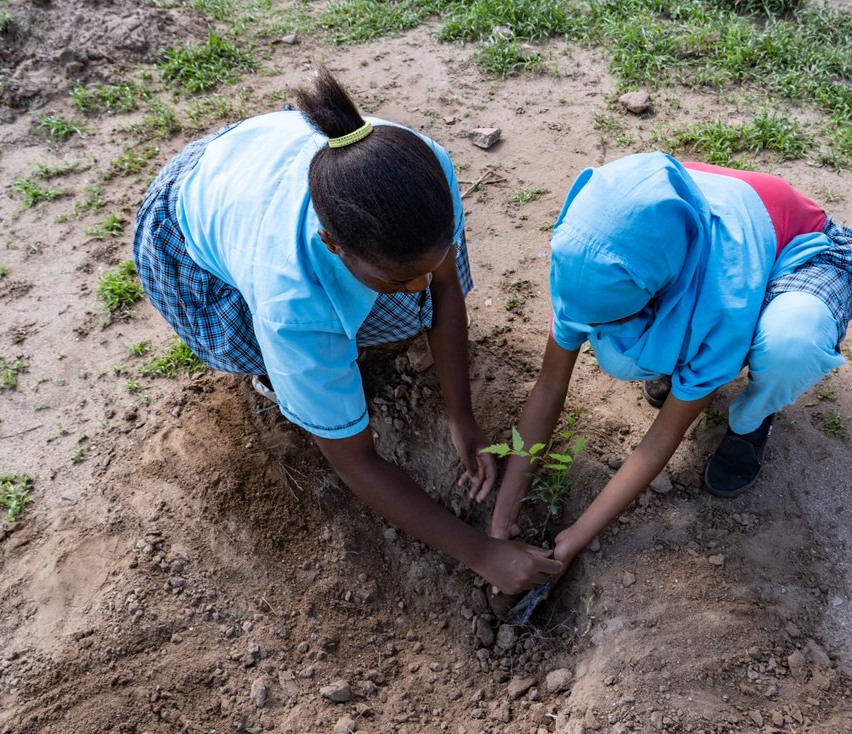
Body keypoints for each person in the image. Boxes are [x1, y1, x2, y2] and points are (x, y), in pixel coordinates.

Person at [132, 65, 561, 594]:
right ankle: (280, 381)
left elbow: (442, 287)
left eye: (428, 265)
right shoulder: (289, 303)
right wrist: (483, 555)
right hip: (190, 218)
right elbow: (355, 461)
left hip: (257, 160)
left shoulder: (420, 171)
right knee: (287, 349)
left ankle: (360, 325)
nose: (421, 284)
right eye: (399, 277)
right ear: (333, 245)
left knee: (406, 306)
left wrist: (461, 415)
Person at [485, 151, 852, 576]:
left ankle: (752, 423)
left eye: (610, 318)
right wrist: (502, 520)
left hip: (800, 250)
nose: (592, 327)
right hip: (691, 239)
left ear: (656, 294)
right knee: (621, 352)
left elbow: (664, 435)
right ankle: (674, 360)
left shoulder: (724, 300)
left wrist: (574, 539)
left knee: (790, 344)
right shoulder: (586, 256)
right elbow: (549, 387)